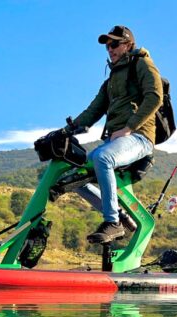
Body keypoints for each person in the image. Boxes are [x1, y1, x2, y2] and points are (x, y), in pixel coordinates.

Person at [70, 25, 163, 244]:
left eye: (114, 44)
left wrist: (129, 127)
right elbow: (93, 111)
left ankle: (112, 222)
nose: (109, 49)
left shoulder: (142, 63)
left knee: (103, 158)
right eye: (107, 46)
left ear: (128, 44)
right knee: (73, 176)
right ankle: (119, 213)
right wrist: (66, 130)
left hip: (140, 137)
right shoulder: (111, 80)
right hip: (116, 139)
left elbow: (155, 97)